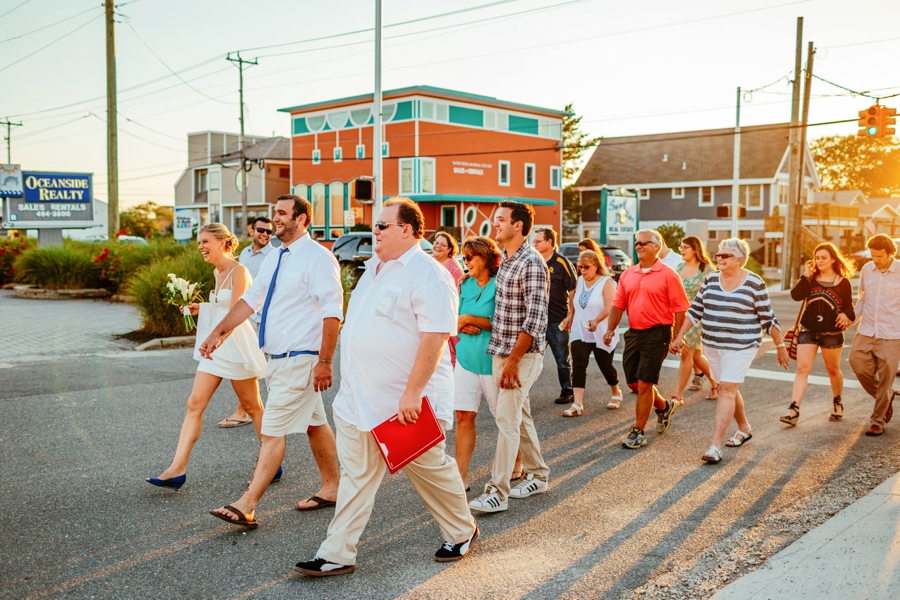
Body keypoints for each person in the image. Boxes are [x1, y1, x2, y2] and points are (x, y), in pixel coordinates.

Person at [295, 198, 478, 576]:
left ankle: (462, 530)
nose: (374, 231)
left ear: (407, 230)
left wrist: (412, 392)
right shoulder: (373, 269)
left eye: (382, 225)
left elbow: (435, 336)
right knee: (357, 476)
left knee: (430, 469)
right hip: (359, 399)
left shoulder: (428, 273)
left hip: (404, 402)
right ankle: (337, 553)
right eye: (376, 225)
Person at [202, 195, 343, 528]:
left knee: (272, 430)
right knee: (314, 423)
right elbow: (251, 299)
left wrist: (325, 360)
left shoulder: (318, 258)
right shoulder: (276, 256)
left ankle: (246, 504)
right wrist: (218, 332)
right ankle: (334, 486)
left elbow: (333, 312)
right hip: (276, 360)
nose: (275, 218)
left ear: (302, 219)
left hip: (302, 358)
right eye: (274, 212)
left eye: (282, 213)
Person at [146, 223, 266, 491]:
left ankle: (271, 461)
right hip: (216, 346)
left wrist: (216, 339)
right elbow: (219, 305)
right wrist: (199, 306)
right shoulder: (217, 271)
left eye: (205, 241)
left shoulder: (239, 271)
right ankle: (176, 469)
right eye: (199, 242)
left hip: (234, 343)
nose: (200, 246)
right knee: (194, 404)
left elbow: (236, 312)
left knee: (253, 407)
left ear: (223, 243)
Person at [670, 238, 789, 464]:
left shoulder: (754, 283)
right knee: (729, 387)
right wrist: (679, 336)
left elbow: (768, 318)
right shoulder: (711, 280)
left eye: (725, 256)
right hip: (713, 344)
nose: (720, 259)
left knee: (725, 389)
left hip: (742, 345)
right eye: (719, 255)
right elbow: (696, 310)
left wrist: (780, 345)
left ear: (740, 260)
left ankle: (715, 446)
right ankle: (744, 427)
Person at [468, 201, 551, 514]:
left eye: (501, 219)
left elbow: (536, 318)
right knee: (520, 416)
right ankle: (539, 475)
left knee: (506, 418)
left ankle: (497, 492)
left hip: (522, 357)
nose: (495, 224)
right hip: (500, 352)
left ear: (518, 226)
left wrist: (514, 361)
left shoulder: (531, 262)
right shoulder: (505, 258)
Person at [603, 229, 688, 450]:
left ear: (656, 247)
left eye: (644, 243)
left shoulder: (669, 274)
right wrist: (610, 329)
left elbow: (680, 308)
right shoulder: (629, 274)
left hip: (658, 333)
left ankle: (638, 432)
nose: (638, 246)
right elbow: (618, 304)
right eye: (637, 243)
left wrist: (678, 337)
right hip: (634, 332)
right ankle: (664, 407)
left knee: (644, 384)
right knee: (633, 382)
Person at [781, 243, 855, 426]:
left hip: (832, 333)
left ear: (833, 259)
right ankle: (793, 410)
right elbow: (796, 295)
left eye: (824, 257)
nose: (820, 261)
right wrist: (806, 275)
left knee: (833, 370)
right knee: (802, 369)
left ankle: (837, 401)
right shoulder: (811, 279)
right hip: (808, 331)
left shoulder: (843, 283)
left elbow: (849, 308)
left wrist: (846, 314)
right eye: (817, 258)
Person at [453, 236, 506, 490]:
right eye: (463, 257)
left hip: (493, 362)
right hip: (465, 359)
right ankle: (460, 477)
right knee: (464, 416)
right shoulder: (465, 285)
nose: (466, 262)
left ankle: (516, 464)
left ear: (485, 258)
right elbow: (454, 321)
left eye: (469, 257)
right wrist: (462, 322)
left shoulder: (501, 284)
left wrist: (469, 318)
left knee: (504, 418)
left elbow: (503, 323)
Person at [219, 216, 274, 429]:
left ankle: (257, 412)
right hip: (246, 317)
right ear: (251, 230)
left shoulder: (274, 255)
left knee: (266, 366)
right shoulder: (244, 254)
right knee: (247, 363)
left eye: (269, 232)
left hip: (265, 318)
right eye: (261, 230)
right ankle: (245, 411)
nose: (265, 234)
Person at [848, 234, 900, 437]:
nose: (875, 260)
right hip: (867, 328)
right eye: (872, 255)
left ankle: (877, 421)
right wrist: (851, 318)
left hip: (891, 333)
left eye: (879, 256)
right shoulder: (867, 270)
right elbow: (862, 297)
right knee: (855, 361)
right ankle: (886, 397)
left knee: (886, 377)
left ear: (890, 253)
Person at [563, 250, 622, 416]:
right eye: (580, 267)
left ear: (596, 266)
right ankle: (577, 404)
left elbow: (610, 307)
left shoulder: (606, 282)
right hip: (580, 330)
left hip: (601, 330)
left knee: (605, 365)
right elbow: (574, 302)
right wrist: (570, 316)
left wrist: (596, 321)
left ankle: (616, 392)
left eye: (586, 267)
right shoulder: (580, 281)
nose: (583, 270)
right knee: (578, 365)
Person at [670, 236, 719, 405]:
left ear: (695, 249)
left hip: (698, 317)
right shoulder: (679, 267)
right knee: (696, 356)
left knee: (686, 353)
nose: (681, 250)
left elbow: (714, 296)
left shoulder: (707, 270)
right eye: (681, 247)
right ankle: (715, 383)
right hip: (680, 315)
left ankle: (678, 395)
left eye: (685, 247)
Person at [533, 227, 577, 405]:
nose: (534, 244)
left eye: (538, 241)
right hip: (536, 320)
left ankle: (568, 390)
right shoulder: (534, 261)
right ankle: (522, 393)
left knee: (562, 359)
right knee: (531, 358)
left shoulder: (562, 262)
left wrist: (570, 315)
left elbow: (573, 288)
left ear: (549, 242)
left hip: (556, 320)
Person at [432, 231, 463, 366]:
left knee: (450, 356)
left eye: (442, 245)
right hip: (431, 315)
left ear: (450, 249)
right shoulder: (430, 262)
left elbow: (459, 296)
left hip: (448, 316)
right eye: (436, 243)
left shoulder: (454, 268)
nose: (438, 246)